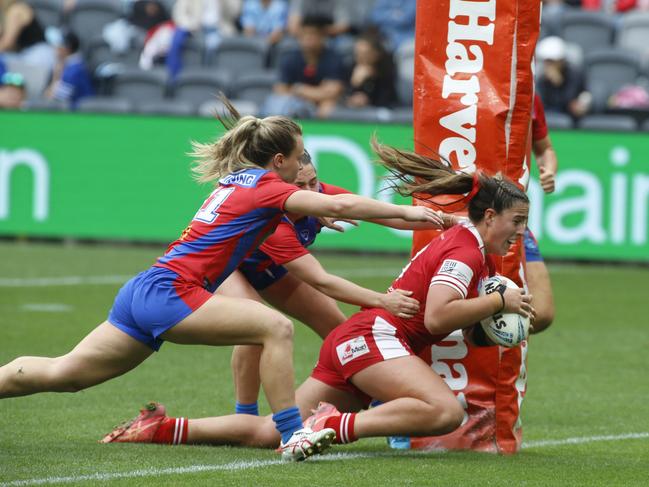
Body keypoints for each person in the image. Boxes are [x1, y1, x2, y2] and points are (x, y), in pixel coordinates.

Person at [0, 103, 439, 461]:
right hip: (172, 292)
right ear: (280, 160)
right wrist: (413, 214)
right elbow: (342, 209)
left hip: (146, 288)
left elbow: (332, 203)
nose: (308, 163)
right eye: (301, 154)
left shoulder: (242, 180)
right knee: (273, 327)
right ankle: (291, 434)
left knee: (66, 373)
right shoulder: (268, 187)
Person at [100, 139, 535, 451]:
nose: (522, 233)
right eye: (517, 221)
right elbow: (432, 315)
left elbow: (384, 217)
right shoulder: (466, 251)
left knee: (272, 433)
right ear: (491, 216)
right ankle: (323, 421)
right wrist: (497, 303)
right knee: (446, 411)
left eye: (313, 183)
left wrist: (438, 221)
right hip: (244, 274)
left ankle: (161, 428)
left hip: (360, 339)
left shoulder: (467, 243)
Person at [227, 150, 443, 415]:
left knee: (342, 333)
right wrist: (383, 300)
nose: (311, 191)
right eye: (300, 186)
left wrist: (454, 222)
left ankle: (384, 402)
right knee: (255, 326)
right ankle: (245, 417)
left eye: (313, 183)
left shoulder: (322, 196)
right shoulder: (275, 222)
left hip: (270, 269)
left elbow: (391, 217)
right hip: (230, 266)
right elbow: (322, 281)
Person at [263, 15, 345, 118]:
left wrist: (299, 89)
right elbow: (280, 89)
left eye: (313, 34)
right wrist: (316, 93)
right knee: (278, 102)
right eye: (304, 34)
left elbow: (332, 93)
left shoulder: (334, 59)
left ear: (322, 37)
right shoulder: (290, 58)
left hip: (320, 104)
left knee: (328, 106)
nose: (308, 38)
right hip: (296, 103)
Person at [524, 93, 557, 332]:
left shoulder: (529, 95)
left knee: (542, 312)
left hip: (511, 218)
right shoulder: (465, 86)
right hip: (468, 215)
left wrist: (549, 170)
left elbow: (545, 149)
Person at [535, 36, 591, 119]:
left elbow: (568, 102)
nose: (548, 65)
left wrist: (559, 83)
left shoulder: (574, 74)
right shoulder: (542, 77)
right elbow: (542, 102)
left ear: (561, 61)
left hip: (572, 118)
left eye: (551, 61)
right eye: (546, 61)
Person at [346, 33, 397, 109]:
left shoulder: (387, 71)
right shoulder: (350, 66)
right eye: (357, 53)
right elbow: (344, 97)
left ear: (377, 54)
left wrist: (368, 100)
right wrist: (354, 84)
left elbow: (386, 100)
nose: (360, 57)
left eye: (365, 53)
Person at [45, 30, 95, 109]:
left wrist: (56, 76)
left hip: (78, 116)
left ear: (67, 48)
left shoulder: (74, 71)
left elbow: (54, 101)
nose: (55, 48)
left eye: (58, 45)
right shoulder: (71, 66)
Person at [0, 0, 55, 71]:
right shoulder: (5, 13)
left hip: (37, 54)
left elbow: (8, 42)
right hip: (24, 54)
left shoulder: (17, 10)